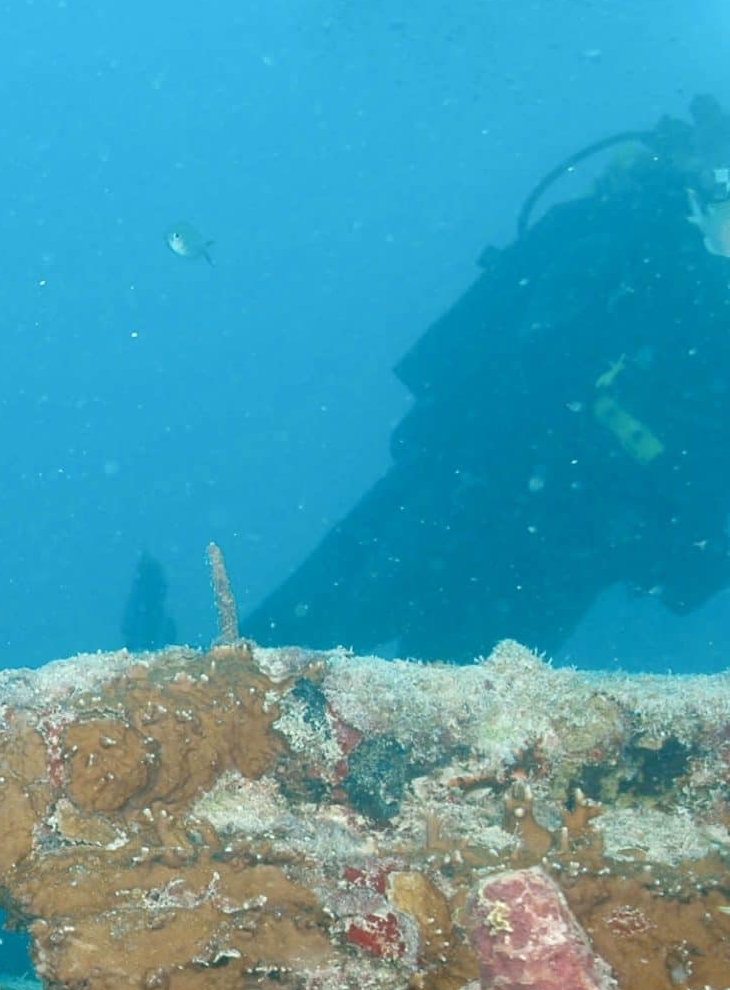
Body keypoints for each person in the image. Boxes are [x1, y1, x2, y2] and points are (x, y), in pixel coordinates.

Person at [250, 98, 730, 659]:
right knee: (266, 675)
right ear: (703, 195)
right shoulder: (625, 239)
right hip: (459, 489)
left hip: (566, 550)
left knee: (437, 732)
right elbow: (512, 366)